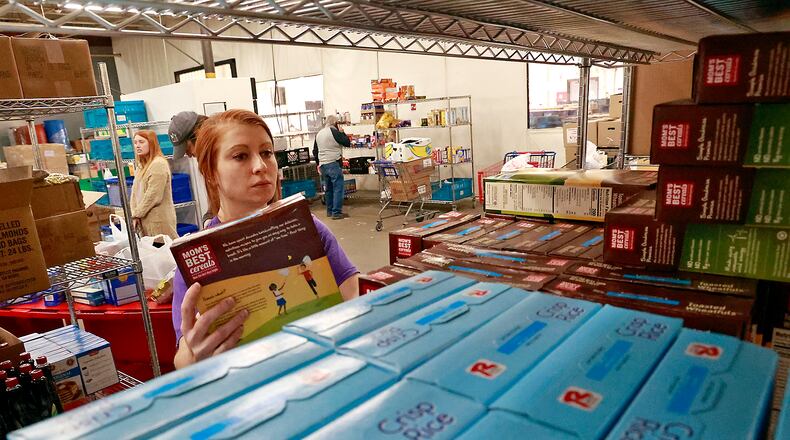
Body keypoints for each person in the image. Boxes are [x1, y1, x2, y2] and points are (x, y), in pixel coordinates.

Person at [172, 109, 360, 369]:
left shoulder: (307, 228)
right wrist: (194, 357)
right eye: (240, 156)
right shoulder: (197, 257)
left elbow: (357, 298)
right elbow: (182, 359)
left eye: (266, 153)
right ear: (211, 172)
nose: (261, 166)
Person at [130, 130, 178, 239]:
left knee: (161, 249)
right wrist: (134, 213)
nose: (137, 146)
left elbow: (153, 195)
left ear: (151, 143)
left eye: (141, 142)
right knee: (151, 251)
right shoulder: (141, 166)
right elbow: (134, 192)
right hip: (144, 221)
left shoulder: (158, 164)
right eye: (135, 142)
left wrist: (137, 214)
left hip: (158, 222)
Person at [168, 111, 213, 228]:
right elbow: (215, 200)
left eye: (187, 148)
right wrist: (208, 219)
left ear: (198, 135)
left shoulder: (223, 159)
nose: (188, 154)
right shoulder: (207, 164)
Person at [313, 115, 351, 220]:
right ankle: (336, 212)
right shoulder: (334, 132)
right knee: (338, 188)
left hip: (323, 165)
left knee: (328, 189)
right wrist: (342, 132)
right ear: (335, 123)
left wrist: (318, 164)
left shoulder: (319, 133)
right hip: (333, 163)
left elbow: (315, 151)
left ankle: (329, 211)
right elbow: (347, 143)